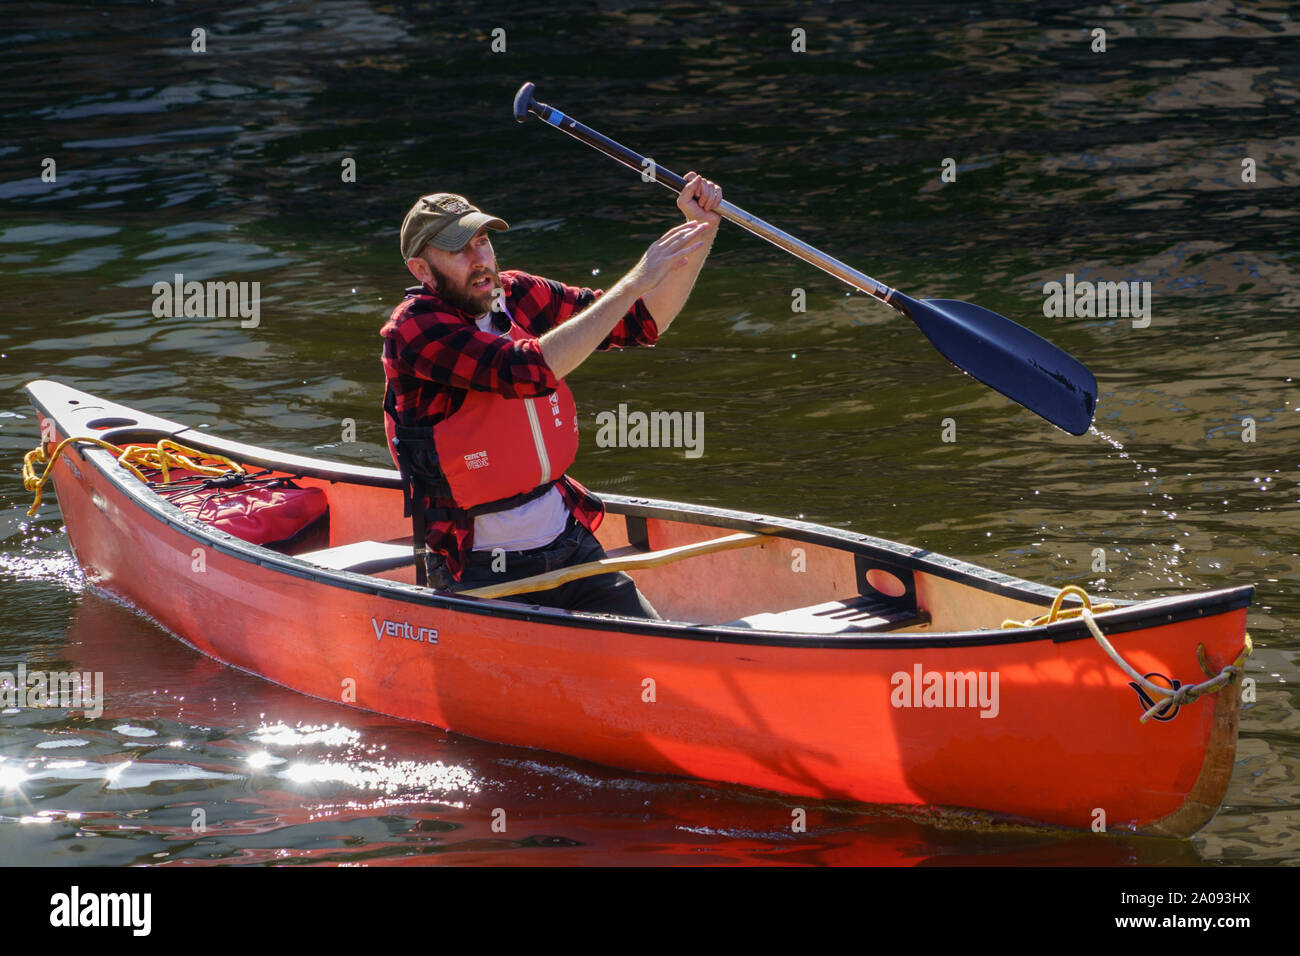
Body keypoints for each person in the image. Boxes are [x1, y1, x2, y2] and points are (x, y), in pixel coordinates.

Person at [380, 174, 722, 619]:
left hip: (568, 541)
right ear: (422, 271)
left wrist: (701, 232)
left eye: (482, 241)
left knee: (656, 662)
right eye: (457, 250)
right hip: (477, 564)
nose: (478, 259)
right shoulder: (414, 329)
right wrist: (637, 278)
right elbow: (525, 371)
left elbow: (641, 321)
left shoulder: (517, 293)